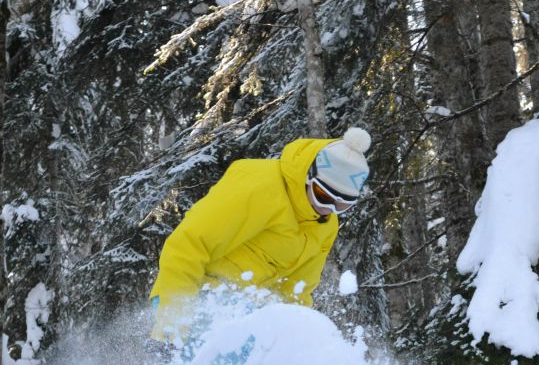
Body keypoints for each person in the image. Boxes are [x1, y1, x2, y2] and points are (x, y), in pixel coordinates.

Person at [148, 127, 372, 347]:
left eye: (342, 204)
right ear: (308, 176)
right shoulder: (261, 185)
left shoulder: (325, 225)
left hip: (249, 313)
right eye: (322, 195)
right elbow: (189, 243)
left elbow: (296, 292)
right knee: (250, 358)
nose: (328, 208)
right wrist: (173, 323)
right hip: (195, 296)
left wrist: (298, 346)